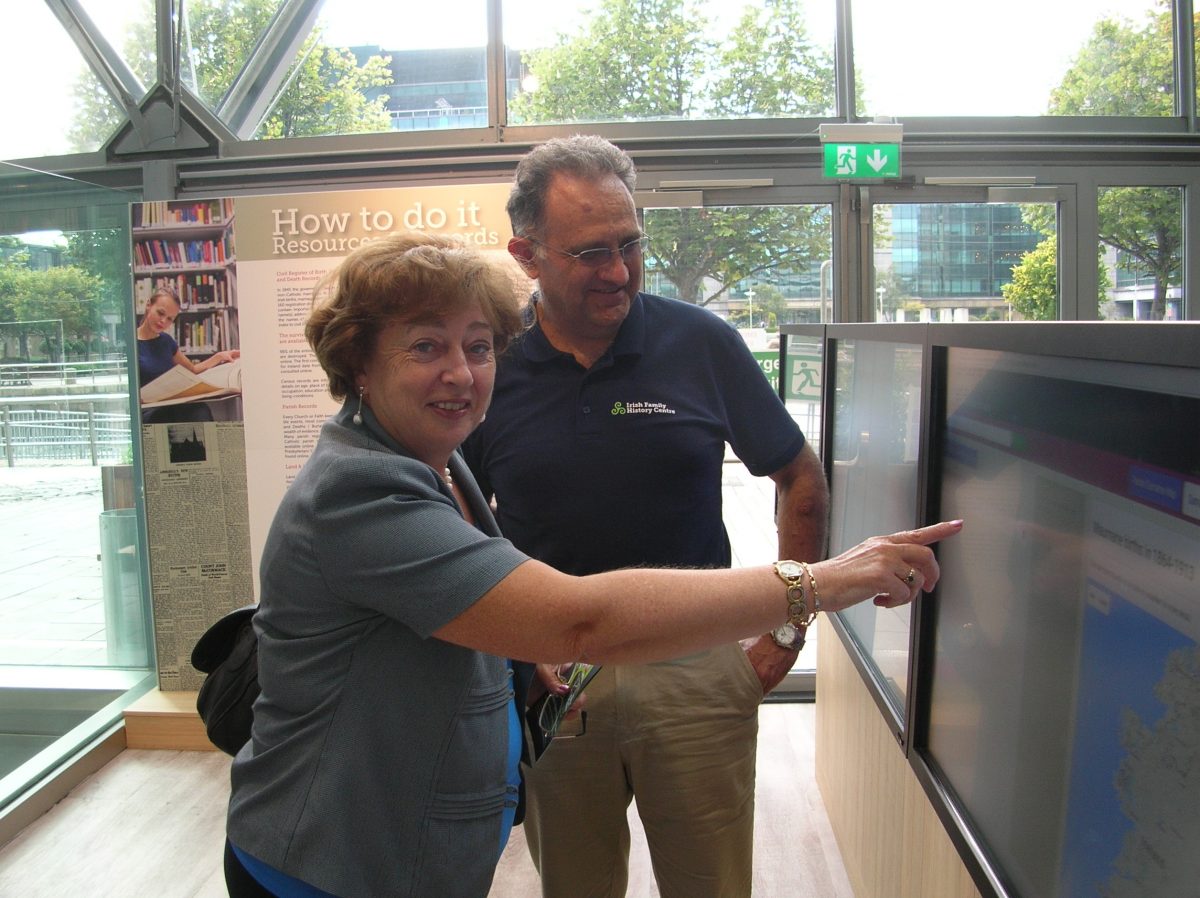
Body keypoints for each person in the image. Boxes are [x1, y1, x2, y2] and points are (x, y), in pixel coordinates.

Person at [223, 231, 960, 898]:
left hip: (405, 849)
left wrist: (519, 664)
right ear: (358, 365)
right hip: (329, 864)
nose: (461, 373)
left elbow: (467, 589)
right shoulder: (360, 489)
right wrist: (819, 584)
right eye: (425, 348)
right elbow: (579, 619)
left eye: (478, 348)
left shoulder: (436, 464)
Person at [462, 133, 830, 898]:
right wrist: (507, 650)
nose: (620, 270)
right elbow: (462, 520)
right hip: (556, 684)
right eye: (591, 252)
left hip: (697, 673)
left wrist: (784, 635)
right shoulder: (489, 365)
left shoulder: (700, 343)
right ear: (526, 256)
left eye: (631, 244)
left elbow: (799, 475)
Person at [136, 285, 240, 423]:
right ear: (149, 305)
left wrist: (219, 357)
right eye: (160, 313)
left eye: (170, 319)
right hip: (146, 410)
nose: (163, 321)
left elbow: (192, 370)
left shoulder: (166, 341)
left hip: (170, 405)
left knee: (200, 410)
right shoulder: (131, 344)